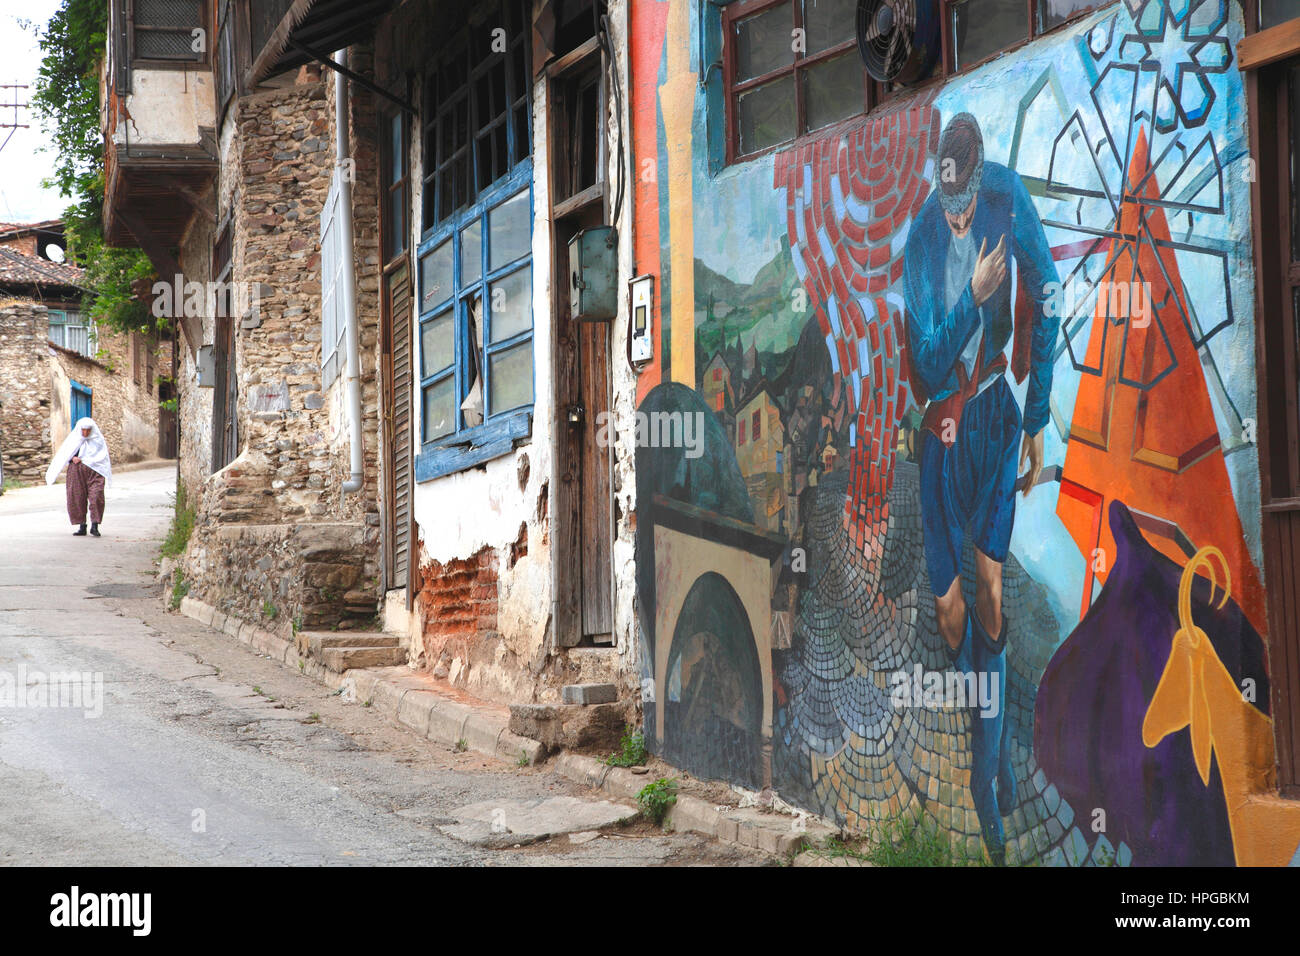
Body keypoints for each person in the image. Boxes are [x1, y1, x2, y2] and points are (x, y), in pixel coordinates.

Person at [901, 112, 1060, 863]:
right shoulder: (920, 240)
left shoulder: (1006, 197)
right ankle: (987, 729)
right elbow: (929, 363)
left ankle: (983, 775)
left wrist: (1039, 414)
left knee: (991, 591)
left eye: (966, 205)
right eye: (950, 207)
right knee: (952, 612)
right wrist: (973, 293)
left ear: (979, 178)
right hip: (940, 429)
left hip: (996, 416)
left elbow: (1050, 288)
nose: (960, 218)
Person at [46, 417, 113, 537]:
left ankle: (95, 525)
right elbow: (65, 454)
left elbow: (103, 457)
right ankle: (82, 525)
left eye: (88, 430)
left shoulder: (98, 440)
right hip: (76, 471)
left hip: (95, 472)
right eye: (83, 430)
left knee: (96, 496)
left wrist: (94, 463)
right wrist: (72, 458)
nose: (85, 433)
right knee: (77, 497)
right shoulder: (74, 439)